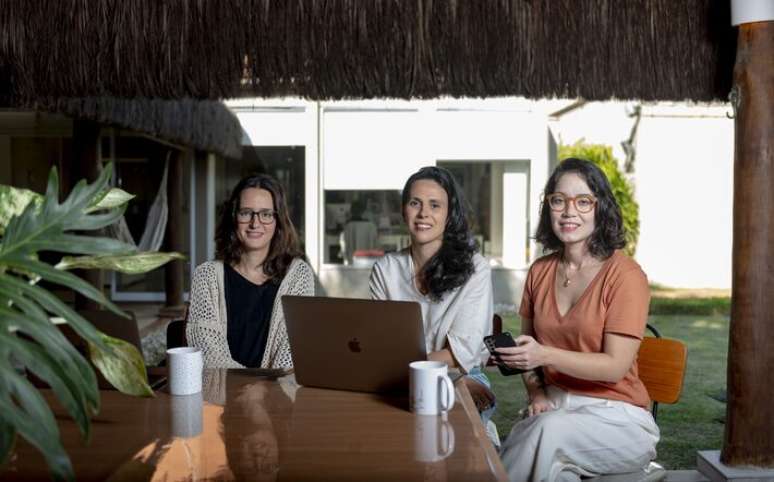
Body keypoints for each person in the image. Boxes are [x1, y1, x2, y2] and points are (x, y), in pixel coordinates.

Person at [497, 158, 659, 481]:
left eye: (583, 201)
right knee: (554, 469)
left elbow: (614, 366)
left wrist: (545, 355)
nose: (570, 212)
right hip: (555, 409)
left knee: (543, 435)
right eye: (559, 200)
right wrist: (536, 393)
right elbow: (529, 353)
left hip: (619, 420)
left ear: (601, 209)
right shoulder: (539, 272)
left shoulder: (625, 276)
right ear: (549, 209)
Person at [368, 166, 498, 440]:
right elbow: (380, 344)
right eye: (415, 203)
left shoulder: (476, 269)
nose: (423, 213)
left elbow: (458, 354)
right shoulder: (386, 269)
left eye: (435, 205)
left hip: (459, 376)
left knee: (438, 436)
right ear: (404, 210)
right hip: (397, 377)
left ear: (449, 215)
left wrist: (397, 369)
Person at [187, 173, 314, 369]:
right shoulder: (206, 276)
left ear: (278, 220)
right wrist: (248, 386)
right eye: (246, 213)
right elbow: (207, 350)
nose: (255, 223)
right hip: (221, 392)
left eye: (266, 214)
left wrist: (264, 391)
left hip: (278, 393)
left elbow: (292, 349)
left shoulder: (298, 275)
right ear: (233, 216)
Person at [339, 198, 379, 265]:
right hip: (369, 263)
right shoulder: (371, 226)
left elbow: (343, 247)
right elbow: (377, 246)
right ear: (364, 211)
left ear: (351, 211)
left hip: (352, 264)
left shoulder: (348, 226)